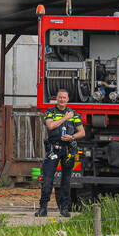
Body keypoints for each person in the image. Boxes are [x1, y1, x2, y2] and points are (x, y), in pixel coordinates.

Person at [36, 89, 85, 217]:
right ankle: (43, 208)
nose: (62, 99)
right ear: (56, 99)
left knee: (66, 180)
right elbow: (50, 126)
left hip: (68, 150)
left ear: (68, 99)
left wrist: (72, 137)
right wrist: (65, 118)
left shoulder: (74, 114)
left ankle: (64, 209)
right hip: (53, 148)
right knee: (47, 179)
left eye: (64, 98)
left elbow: (82, 132)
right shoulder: (50, 112)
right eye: (60, 97)